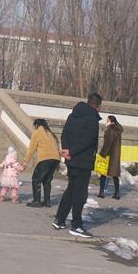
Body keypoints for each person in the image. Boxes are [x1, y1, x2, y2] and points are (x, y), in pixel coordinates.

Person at [52, 92, 102, 239]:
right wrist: (72, 152)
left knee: (71, 190)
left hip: (71, 160)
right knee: (80, 194)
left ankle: (59, 219)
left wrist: (67, 150)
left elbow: (64, 134)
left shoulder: (72, 115)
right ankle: (77, 225)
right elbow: (88, 141)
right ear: (98, 106)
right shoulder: (92, 119)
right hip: (83, 161)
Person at [22, 118, 60, 208]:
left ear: (36, 125)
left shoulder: (38, 132)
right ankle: (47, 202)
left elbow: (32, 148)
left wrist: (25, 161)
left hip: (45, 158)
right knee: (47, 181)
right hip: (55, 159)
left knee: (36, 179)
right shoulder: (51, 133)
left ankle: (37, 201)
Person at [98, 115, 123, 199]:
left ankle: (101, 192)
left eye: (107, 120)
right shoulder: (117, 130)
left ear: (112, 122)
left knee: (103, 173)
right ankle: (117, 193)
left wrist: (103, 153)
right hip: (115, 155)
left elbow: (107, 143)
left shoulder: (110, 130)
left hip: (108, 154)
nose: (106, 122)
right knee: (114, 174)